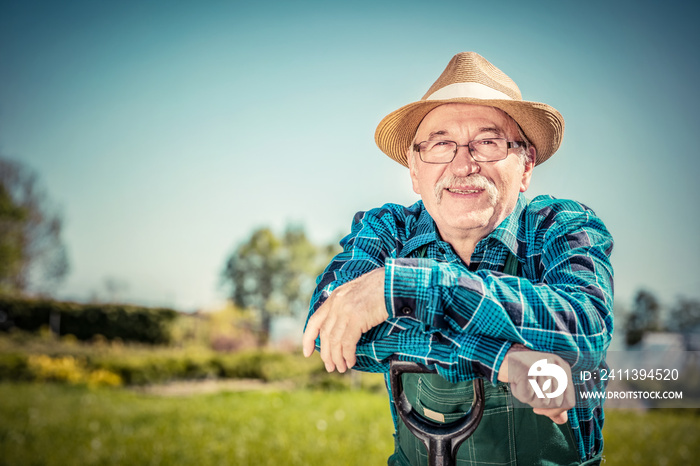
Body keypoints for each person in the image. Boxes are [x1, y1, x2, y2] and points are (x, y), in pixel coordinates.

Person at [302, 52, 613, 465]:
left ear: (525, 165)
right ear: (414, 170)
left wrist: (409, 287)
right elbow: (328, 331)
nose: (463, 164)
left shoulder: (561, 227)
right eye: (441, 144)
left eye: (487, 142)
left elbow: (584, 336)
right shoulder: (387, 231)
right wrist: (502, 360)